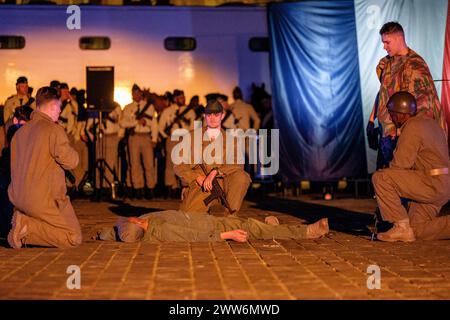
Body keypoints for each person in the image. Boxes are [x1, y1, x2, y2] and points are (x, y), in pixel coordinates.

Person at [7, 86, 82, 249]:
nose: (60, 112)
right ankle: (27, 226)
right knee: (73, 237)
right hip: (44, 199)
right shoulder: (53, 129)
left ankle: (23, 225)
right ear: (54, 106)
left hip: (17, 198)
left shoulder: (18, 134)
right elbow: (71, 162)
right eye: (59, 108)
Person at [367, 22, 447, 167]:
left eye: (387, 42)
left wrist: (401, 133)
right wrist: (372, 120)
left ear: (399, 38)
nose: (384, 46)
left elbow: (424, 108)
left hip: (402, 137)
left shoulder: (415, 66)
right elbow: (383, 91)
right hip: (386, 134)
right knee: (382, 180)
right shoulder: (387, 62)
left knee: (397, 181)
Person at [372, 91, 450, 242]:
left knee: (381, 178)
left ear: (401, 114)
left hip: (430, 183)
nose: (391, 118)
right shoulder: (431, 123)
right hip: (442, 185)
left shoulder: (412, 126)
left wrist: (385, 200)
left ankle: (400, 226)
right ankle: (407, 229)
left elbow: (400, 165)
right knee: (415, 230)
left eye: (392, 114)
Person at [173, 100, 251, 214]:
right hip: (201, 185)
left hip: (223, 182)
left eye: (216, 114)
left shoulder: (231, 140)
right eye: (209, 114)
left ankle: (229, 218)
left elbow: (237, 164)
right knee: (189, 219)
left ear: (222, 116)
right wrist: (195, 178)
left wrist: (215, 172)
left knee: (242, 177)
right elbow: (178, 164)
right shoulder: (192, 137)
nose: (212, 118)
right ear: (204, 116)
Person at [94, 210, 329, 243]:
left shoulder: (146, 220)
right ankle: (306, 232)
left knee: (253, 224)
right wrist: (226, 235)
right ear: (136, 223)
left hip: (209, 218)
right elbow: (193, 236)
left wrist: (101, 235)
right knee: (252, 229)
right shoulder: (160, 230)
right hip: (214, 225)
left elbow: (117, 230)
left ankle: (271, 224)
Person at [120, 85, 158, 199]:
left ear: (141, 94)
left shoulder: (149, 107)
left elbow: (154, 123)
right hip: (134, 137)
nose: (136, 95)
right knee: (134, 164)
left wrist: (154, 138)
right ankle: (137, 189)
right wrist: (136, 122)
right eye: (134, 93)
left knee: (149, 164)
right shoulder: (127, 108)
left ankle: (150, 189)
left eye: (138, 93)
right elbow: (122, 123)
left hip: (146, 136)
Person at [158, 89, 196, 198]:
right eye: (180, 97)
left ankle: (184, 188)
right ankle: (170, 189)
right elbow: (160, 127)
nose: (183, 99)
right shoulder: (168, 111)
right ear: (175, 99)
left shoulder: (190, 111)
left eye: (184, 97)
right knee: (170, 164)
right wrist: (167, 138)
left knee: (185, 164)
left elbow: (193, 127)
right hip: (173, 139)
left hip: (185, 138)